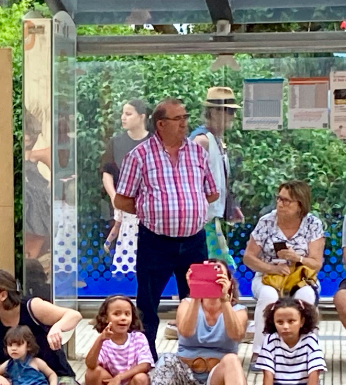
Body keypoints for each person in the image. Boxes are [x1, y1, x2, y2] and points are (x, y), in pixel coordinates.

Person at [115, 97, 219, 361]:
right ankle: (147, 360)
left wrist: (184, 207)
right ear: (161, 124)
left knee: (198, 301)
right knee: (148, 306)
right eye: (178, 119)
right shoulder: (139, 155)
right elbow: (121, 199)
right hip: (156, 243)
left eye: (185, 117)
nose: (185, 123)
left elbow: (211, 193)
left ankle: (195, 358)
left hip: (194, 241)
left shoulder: (197, 152)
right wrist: (154, 211)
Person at [135, 261, 249, 385]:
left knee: (233, 360)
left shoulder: (239, 310)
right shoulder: (187, 304)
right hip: (186, 376)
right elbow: (186, 332)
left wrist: (224, 299)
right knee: (166, 359)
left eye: (218, 276)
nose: (213, 280)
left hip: (216, 377)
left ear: (229, 281)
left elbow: (235, 335)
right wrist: (196, 295)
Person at [243, 180, 324, 368]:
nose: (280, 204)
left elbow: (316, 264)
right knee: (268, 296)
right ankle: (260, 353)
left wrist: (297, 258)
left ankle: (305, 354)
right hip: (267, 276)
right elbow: (248, 257)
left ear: (300, 205)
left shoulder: (312, 223)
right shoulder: (266, 221)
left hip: (301, 277)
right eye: (279, 198)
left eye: (286, 201)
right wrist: (271, 268)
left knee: (305, 297)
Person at [247, 297, 331, 385]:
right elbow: (267, 374)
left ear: (301, 321)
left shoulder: (310, 340)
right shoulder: (270, 340)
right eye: (280, 322)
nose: (285, 326)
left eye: (291, 321)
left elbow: (314, 374)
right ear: (273, 322)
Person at [84, 294, 153, 385]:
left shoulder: (138, 338)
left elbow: (146, 364)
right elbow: (90, 364)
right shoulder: (104, 341)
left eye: (127, 314)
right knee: (92, 373)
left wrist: (119, 377)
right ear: (105, 318)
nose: (123, 318)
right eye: (117, 314)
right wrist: (100, 340)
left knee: (142, 378)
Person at [189, 87, 241, 267]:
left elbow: (219, 179)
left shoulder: (216, 140)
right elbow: (190, 181)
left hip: (213, 217)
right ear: (214, 112)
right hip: (202, 220)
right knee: (215, 268)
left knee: (218, 268)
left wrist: (229, 205)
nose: (232, 116)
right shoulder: (201, 141)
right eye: (229, 111)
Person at [102, 99, 151, 275]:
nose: (123, 118)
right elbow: (107, 172)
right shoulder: (116, 142)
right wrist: (115, 198)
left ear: (142, 116)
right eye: (122, 113)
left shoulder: (153, 142)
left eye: (128, 114)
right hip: (122, 206)